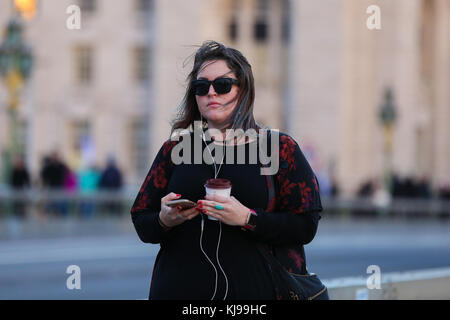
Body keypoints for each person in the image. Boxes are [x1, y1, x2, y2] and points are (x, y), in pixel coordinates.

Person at [130, 41, 324, 300]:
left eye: (222, 85)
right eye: (201, 87)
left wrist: (248, 218)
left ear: (243, 90)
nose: (211, 93)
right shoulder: (175, 148)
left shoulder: (280, 147)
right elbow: (142, 219)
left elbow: (305, 225)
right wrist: (164, 219)